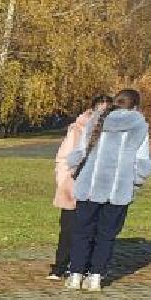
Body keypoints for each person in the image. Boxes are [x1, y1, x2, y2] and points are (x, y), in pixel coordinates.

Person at [63, 88, 151, 291]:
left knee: (82, 232)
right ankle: (96, 276)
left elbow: (80, 151)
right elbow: (142, 160)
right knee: (107, 234)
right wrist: (135, 182)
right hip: (118, 189)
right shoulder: (139, 125)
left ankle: (76, 273)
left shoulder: (98, 118)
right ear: (136, 105)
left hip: (89, 186)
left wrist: (75, 169)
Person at [48, 95, 109, 281]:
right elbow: (64, 157)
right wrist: (63, 180)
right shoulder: (78, 129)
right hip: (73, 185)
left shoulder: (110, 132)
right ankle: (60, 266)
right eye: (100, 108)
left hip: (97, 187)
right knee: (68, 228)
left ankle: (87, 267)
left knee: (94, 229)